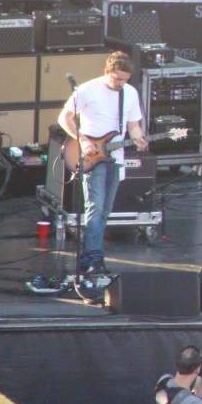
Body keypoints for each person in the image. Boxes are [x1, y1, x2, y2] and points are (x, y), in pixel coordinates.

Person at [58, 51, 148, 274]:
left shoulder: (130, 93)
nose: (120, 83)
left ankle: (92, 255)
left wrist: (139, 137)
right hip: (91, 157)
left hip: (115, 157)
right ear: (107, 71)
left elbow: (133, 125)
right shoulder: (88, 89)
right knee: (95, 208)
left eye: (125, 79)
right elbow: (64, 118)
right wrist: (83, 140)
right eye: (117, 78)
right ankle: (93, 258)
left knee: (105, 210)